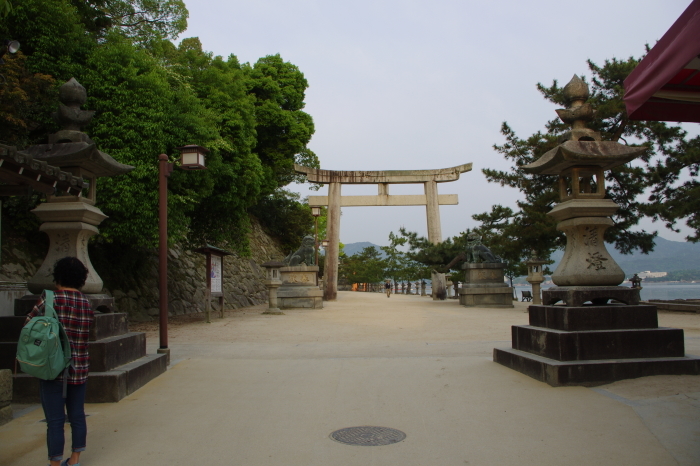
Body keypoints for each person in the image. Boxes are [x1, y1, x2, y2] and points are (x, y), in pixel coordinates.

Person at [25, 257, 93, 466]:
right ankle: (74, 460)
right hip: (79, 368)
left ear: (58, 277)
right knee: (77, 415)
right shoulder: (86, 303)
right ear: (81, 279)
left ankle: (54, 463)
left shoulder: (49, 299)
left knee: (55, 420)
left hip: (52, 368)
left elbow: (28, 325)